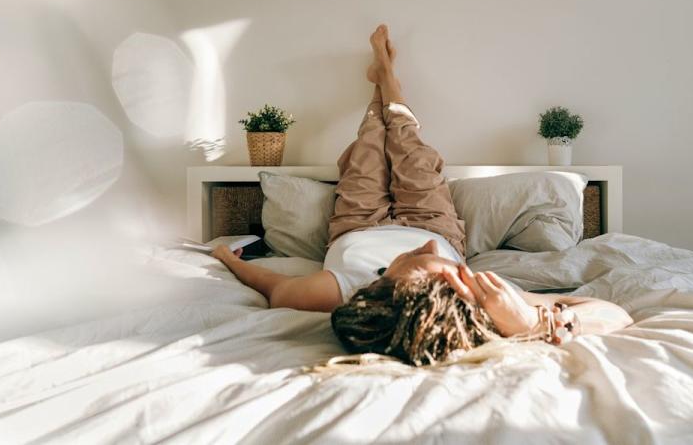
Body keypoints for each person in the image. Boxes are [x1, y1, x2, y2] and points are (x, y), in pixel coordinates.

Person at [213, 24, 632, 365]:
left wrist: (227, 259)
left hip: (356, 227)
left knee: (366, 149)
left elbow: (270, 284)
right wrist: (535, 324)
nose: (426, 249)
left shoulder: (340, 290)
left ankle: (380, 87)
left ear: (375, 289)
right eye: (450, 272)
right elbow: (615, 314)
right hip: (434, 219)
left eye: (412, 259)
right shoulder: (477, 296)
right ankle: (389, 82)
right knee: (412, 152)